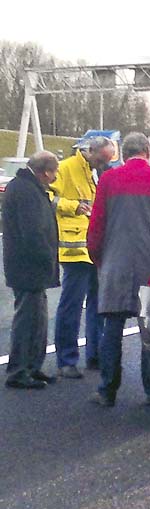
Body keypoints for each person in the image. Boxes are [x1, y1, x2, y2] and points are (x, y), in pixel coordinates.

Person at [87, 133, 150, 407]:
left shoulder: (108, 180)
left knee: (112, 329)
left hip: (115, 265)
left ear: (124, 153)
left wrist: (100, 260)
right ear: (148, 152)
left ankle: (107, 390)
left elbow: (96, 227)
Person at [51, 136, 116, 379]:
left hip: (97, 248)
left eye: (108, 160)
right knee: (72, 305)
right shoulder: (67, 168)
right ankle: (66, 360)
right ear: (91, 152)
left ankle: (95, 354)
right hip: (75, 249)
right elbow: (49, 197)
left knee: (99, 305)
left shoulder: (100, 172)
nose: (104, 164)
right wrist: (73, 206)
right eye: (102, 159)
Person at [2, 151, 60, 389]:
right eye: (54, 171)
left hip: (29, 267)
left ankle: (32, 366)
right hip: (28, 268)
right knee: (27, 320)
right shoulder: (27, 192)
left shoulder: (27, 188)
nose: (56, 176)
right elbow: (33, 233)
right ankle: (19, 370)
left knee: (37, 320)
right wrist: (48, 259)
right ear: (45, 172)